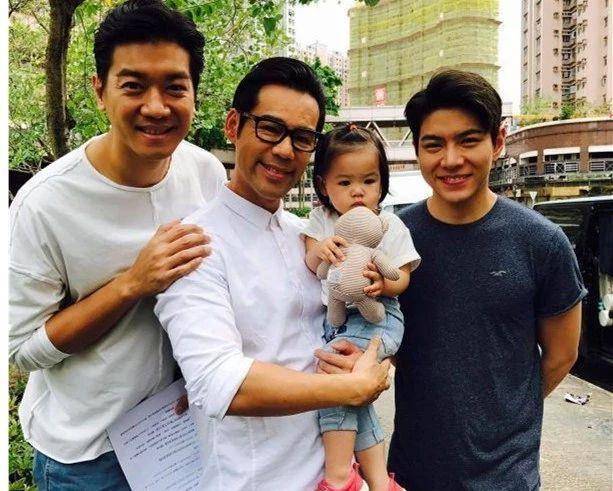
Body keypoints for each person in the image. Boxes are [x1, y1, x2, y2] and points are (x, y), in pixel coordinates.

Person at [8, 1, 227, 489]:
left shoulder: (206, 173)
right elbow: (22, 350)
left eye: (175, 87)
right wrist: (132, 284)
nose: (156, 106)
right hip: (88, 458)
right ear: (100, 91)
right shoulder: (44, 205)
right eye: (133, 86)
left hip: (182, 435)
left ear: (194, 94)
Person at [154, 57, 391, 491]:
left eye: (302, 138)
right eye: (269, 128)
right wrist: (350, 389)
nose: (284, 150)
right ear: (233, 125)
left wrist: (361, 357)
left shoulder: (307, 237)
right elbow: (218, 382)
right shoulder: (195, 244)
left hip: (334, 476)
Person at [385, 70, 587, 489]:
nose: (451, 160)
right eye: (433, 144)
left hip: (507, 477)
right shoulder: (395, 239)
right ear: (418, 150)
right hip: (411, 472)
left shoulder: (542, 242)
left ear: (498, 141)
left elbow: (561, 354)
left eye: (468, 140)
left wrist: (505, 411)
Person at [303, 125, 420, 491]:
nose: (358, 191)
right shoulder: (321, 220)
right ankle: (380, 482)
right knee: (357, 400)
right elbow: (310, 261)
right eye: (345, 182)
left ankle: (338, 477)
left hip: (379, 317)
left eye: (369, 181)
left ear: (382, 182)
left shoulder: (388, 224)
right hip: (337, 319)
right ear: (324, 185)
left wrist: (383, 283)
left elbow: (403, 276)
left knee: (334, 382)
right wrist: (320, 251)